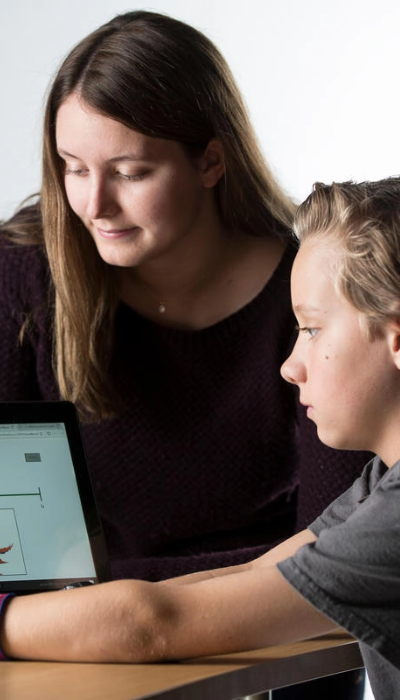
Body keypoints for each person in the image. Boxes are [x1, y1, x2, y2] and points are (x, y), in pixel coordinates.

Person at [0, 11, 366, 698]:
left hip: (287, 648)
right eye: (73, 168)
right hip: (82, 653)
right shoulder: (23, 277)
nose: (94, 204)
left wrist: (113, 607)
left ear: (210, 160)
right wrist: (105, 616)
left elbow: (334, 564)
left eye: (131, 172)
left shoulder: (313, 299)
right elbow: (14, 553)